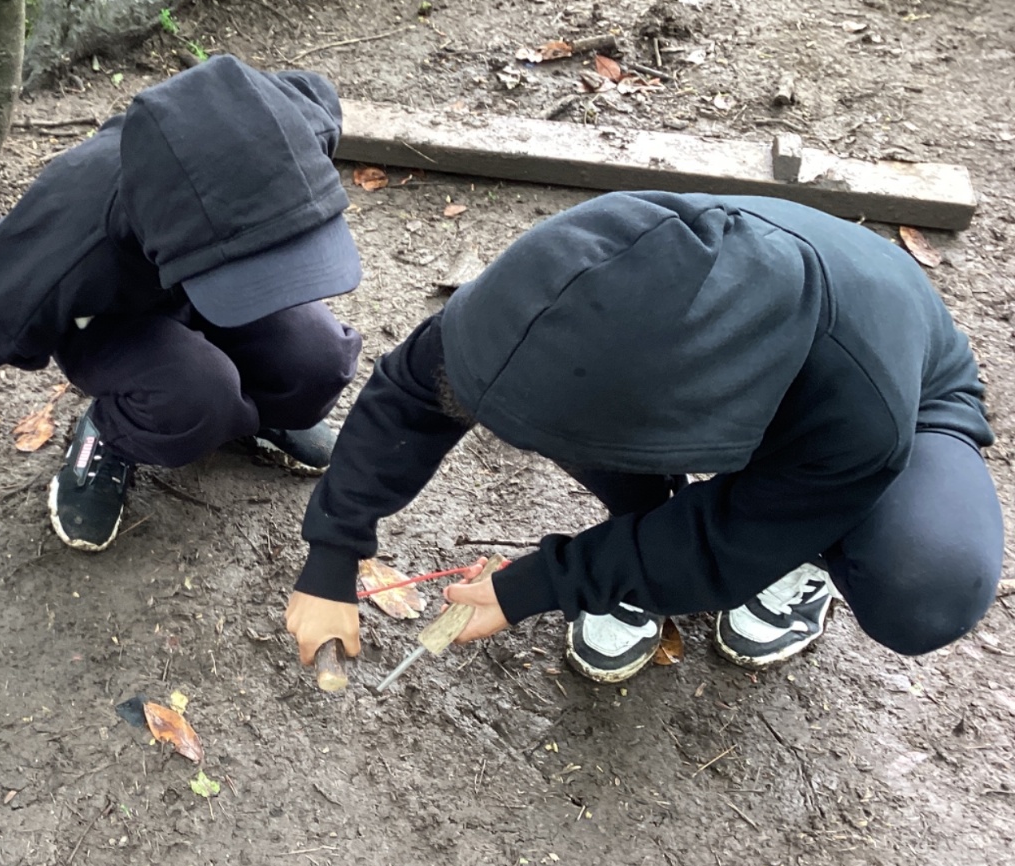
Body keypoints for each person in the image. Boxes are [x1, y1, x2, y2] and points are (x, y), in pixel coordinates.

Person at [286, 191, 1004, 684]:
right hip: (673, 372)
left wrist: (541, 584)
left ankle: (803, 556)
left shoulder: (859, 402)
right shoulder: (546, 291)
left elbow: (732, 537)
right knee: (564, 411)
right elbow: (415, 393)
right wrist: (333, 553)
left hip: (889, 392)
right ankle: (638, 555)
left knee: (925, 585)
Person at [0, 56, 363, 551]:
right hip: (106, 311)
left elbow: (317, 95)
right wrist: (57, 325)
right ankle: (112, 431)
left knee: (318, 361)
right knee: (195, 396)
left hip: (219, 259)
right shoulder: (76, 227)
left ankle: (255, 416)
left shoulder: (292, 121)